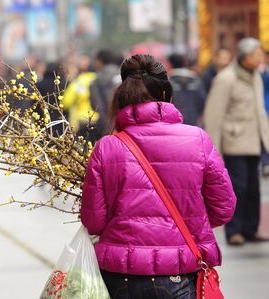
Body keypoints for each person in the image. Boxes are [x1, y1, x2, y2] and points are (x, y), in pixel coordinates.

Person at [81, 54, 236, 298]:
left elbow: (94, 222)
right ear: (166, 95)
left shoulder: (106, 147)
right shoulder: (198, 139)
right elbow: (223, 208)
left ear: (122, 98)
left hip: (120, 276)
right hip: (180, 272)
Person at [204, 38, 269, 246]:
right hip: (234, 141)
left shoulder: (256, 76)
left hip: (253, 140)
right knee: (237, 188)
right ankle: (234, 231)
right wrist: (213, 149)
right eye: (256, 54)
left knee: (253, 188)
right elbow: (214, 114)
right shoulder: (226, 78)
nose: (260, 58)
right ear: (245, 56)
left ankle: (250, 228)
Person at [89, 50, 121, 139]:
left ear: (100, 61)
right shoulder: (123, 73)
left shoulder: (97, 79)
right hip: (125, 122)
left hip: (107, 123)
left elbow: (96, 104)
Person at [168, 53, 206, 126]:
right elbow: (203, 101)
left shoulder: (168, 81)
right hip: (193, 123)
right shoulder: (195, 79)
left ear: (170, 64)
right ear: (184, 63)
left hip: (174, 125)